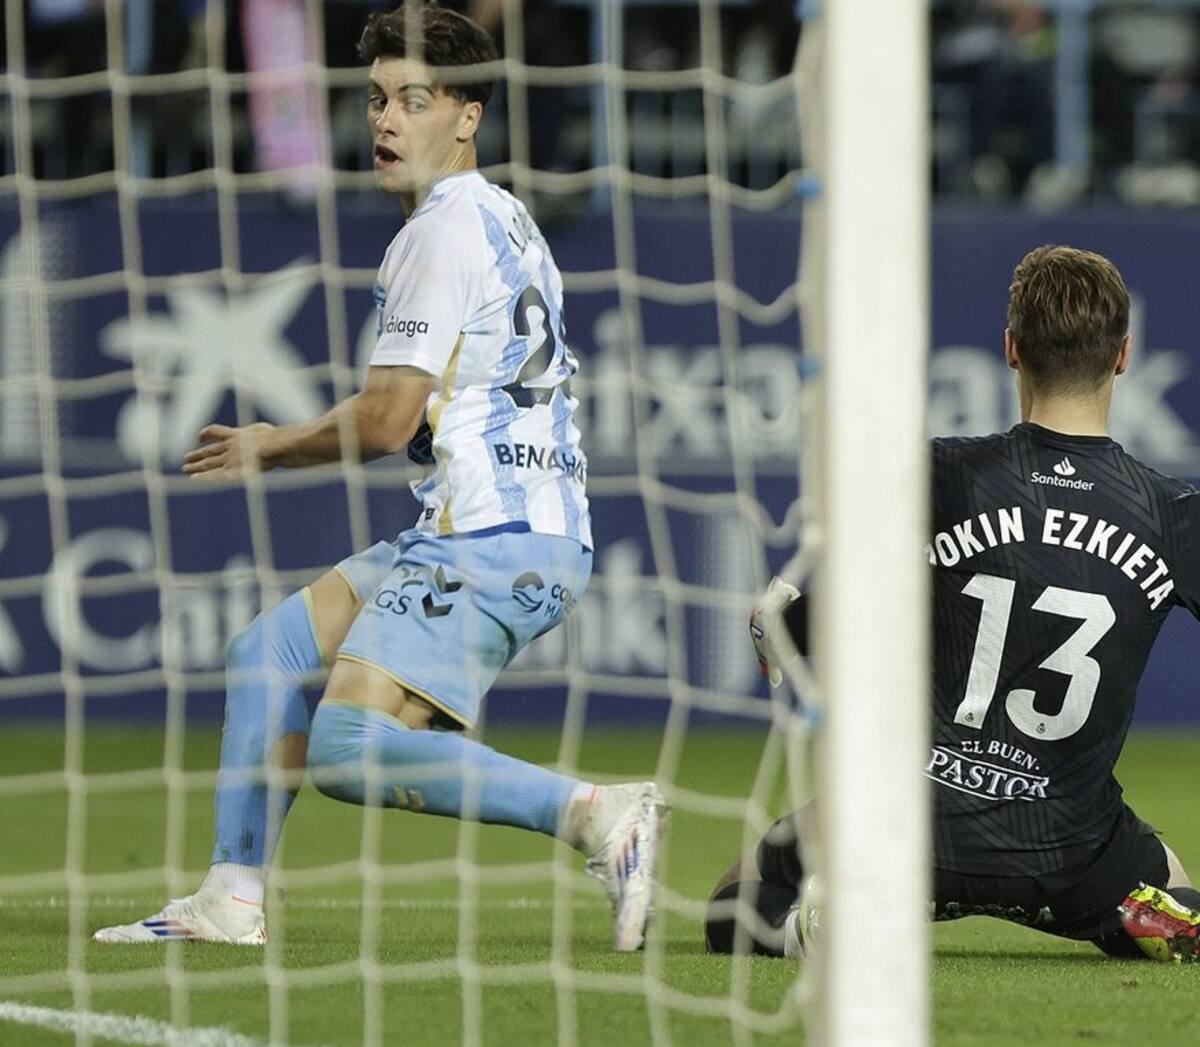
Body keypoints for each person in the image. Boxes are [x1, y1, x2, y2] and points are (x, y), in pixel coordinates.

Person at [94, 2, 665, 951]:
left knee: (347, 748)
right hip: (500, 527)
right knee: (270, 652)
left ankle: (598, 814)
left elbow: (388, 418)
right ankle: (231, 895)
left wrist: (273, 443)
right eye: (376, 100)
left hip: (492, 537)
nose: (387, 121)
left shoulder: (440, 233)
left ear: (468, 116)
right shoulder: (505, 217)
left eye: (414, 101)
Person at [710, 245, 1200, 964]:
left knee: (735, 897)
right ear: (1124, 356)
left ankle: (816, 924)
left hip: (909, 832)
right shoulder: (1170, 513)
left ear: (1012, 349)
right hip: (1072, 855)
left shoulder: (941, 473)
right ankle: (1146, 916)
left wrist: (779, 624)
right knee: (1173, 885)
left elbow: (849, 611)